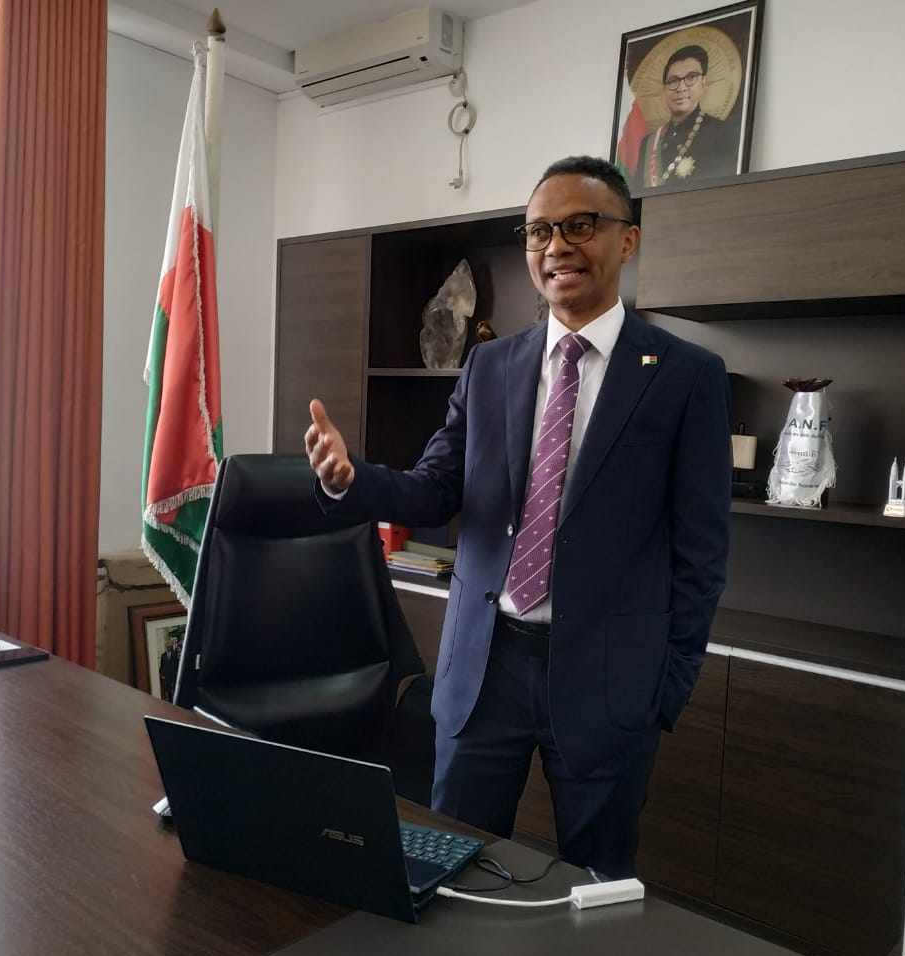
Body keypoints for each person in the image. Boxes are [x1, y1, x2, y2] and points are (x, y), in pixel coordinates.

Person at [305, 156, 730, 880]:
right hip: (484, 666)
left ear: (627, 240)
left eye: (580, 225)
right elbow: (436, 490)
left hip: (608, 680)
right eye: (539, 231)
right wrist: (351, 480)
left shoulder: (686, 376)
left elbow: (703, 551)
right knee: (451, 869)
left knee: (596, 887)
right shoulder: (490, 365)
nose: (556, 246)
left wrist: (667, 687)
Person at [634, 45, 741, 189]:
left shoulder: (722, 133)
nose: (681, 88)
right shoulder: (648, 143)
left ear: (703, 83)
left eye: (691, 78)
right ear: (664, 90)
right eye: (673, 81)